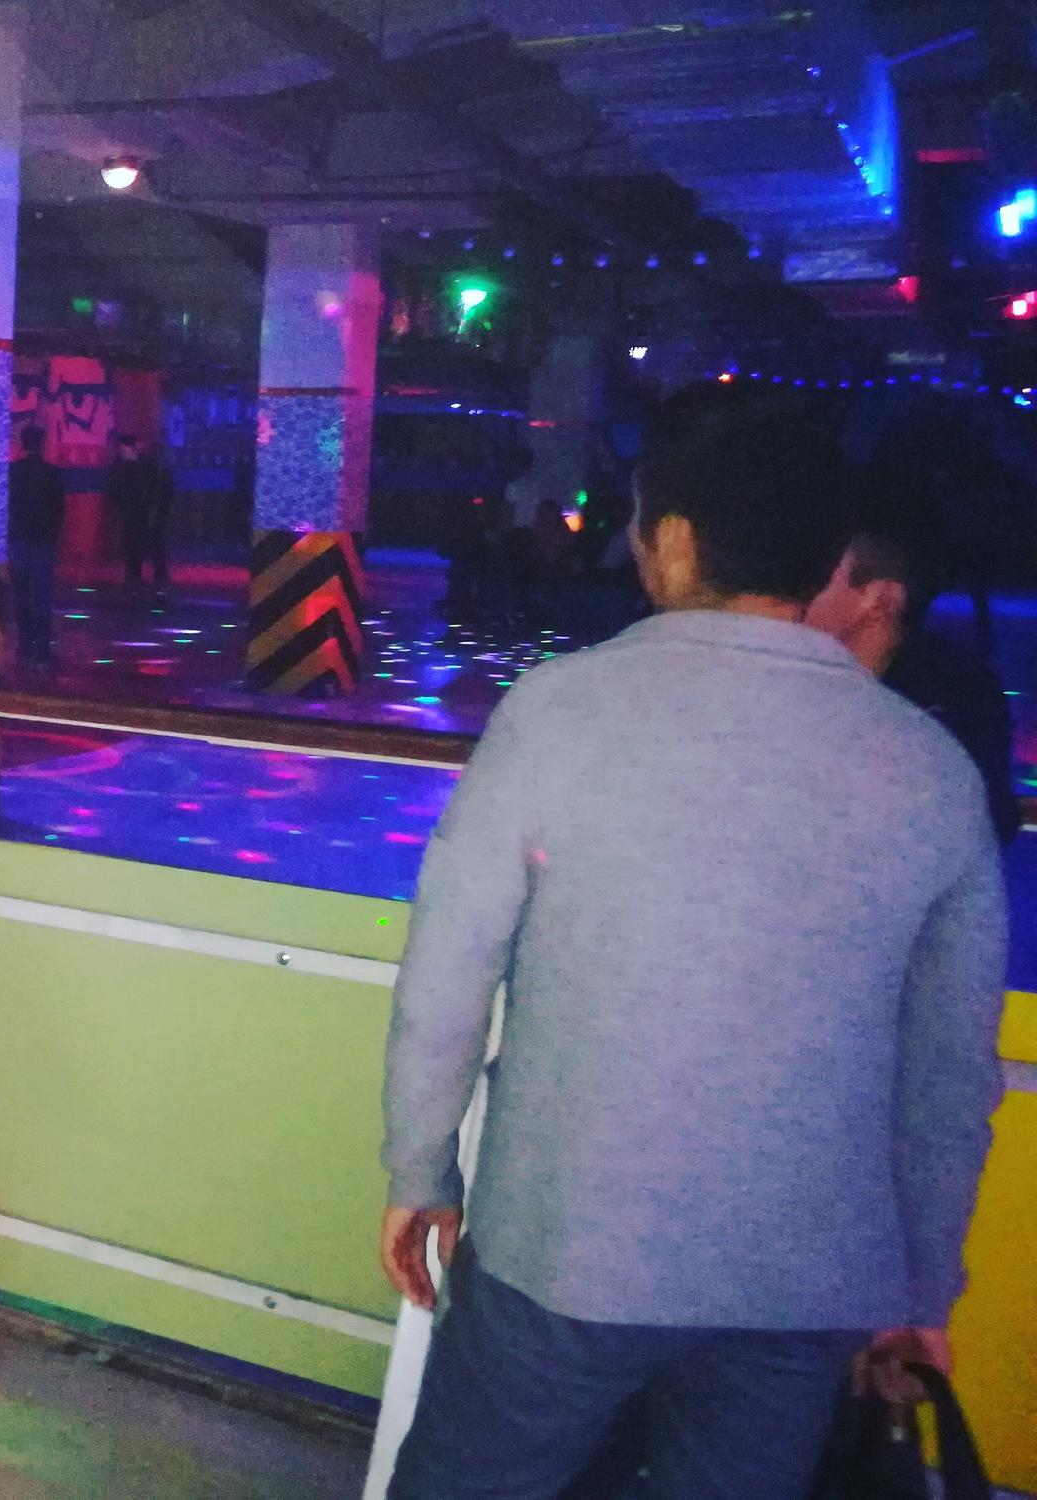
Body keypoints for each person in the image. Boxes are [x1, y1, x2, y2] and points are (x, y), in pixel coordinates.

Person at [378, 391, 1005, 1500]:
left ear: (671, 540)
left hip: (568, 1244)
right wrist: (921, 1290)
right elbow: (948, 1071)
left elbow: (450, 972)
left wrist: (421, 1168)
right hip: (805, 1281)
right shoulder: (931, 771)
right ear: (825, 557)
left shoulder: (558, 712)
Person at [806, 487, 1021, 845]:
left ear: (879, 599)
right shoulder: (791, 677)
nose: (795, 590)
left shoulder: (957, 697)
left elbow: (990, 823)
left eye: (817, 579)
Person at [6, 423, 66, 669]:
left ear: (22, 443)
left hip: (18, 539)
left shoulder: (12, 472)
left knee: (21, 593)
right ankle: (42, 650)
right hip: (43, 541)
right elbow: (59, 509)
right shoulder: (51, 474)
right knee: (41, 594)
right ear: (41, 445)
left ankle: (24, 645)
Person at [103, 434, 172, 595]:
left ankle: (157, 579)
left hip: (147, 513)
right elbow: (114, 492)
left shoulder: (146, 465)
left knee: (152, 546)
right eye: (122, 451)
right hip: (134, 514)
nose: (124, 454)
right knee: (135, 547)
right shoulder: (121, 467)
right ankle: (136, 580)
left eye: (126, 450)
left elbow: (158, 488)